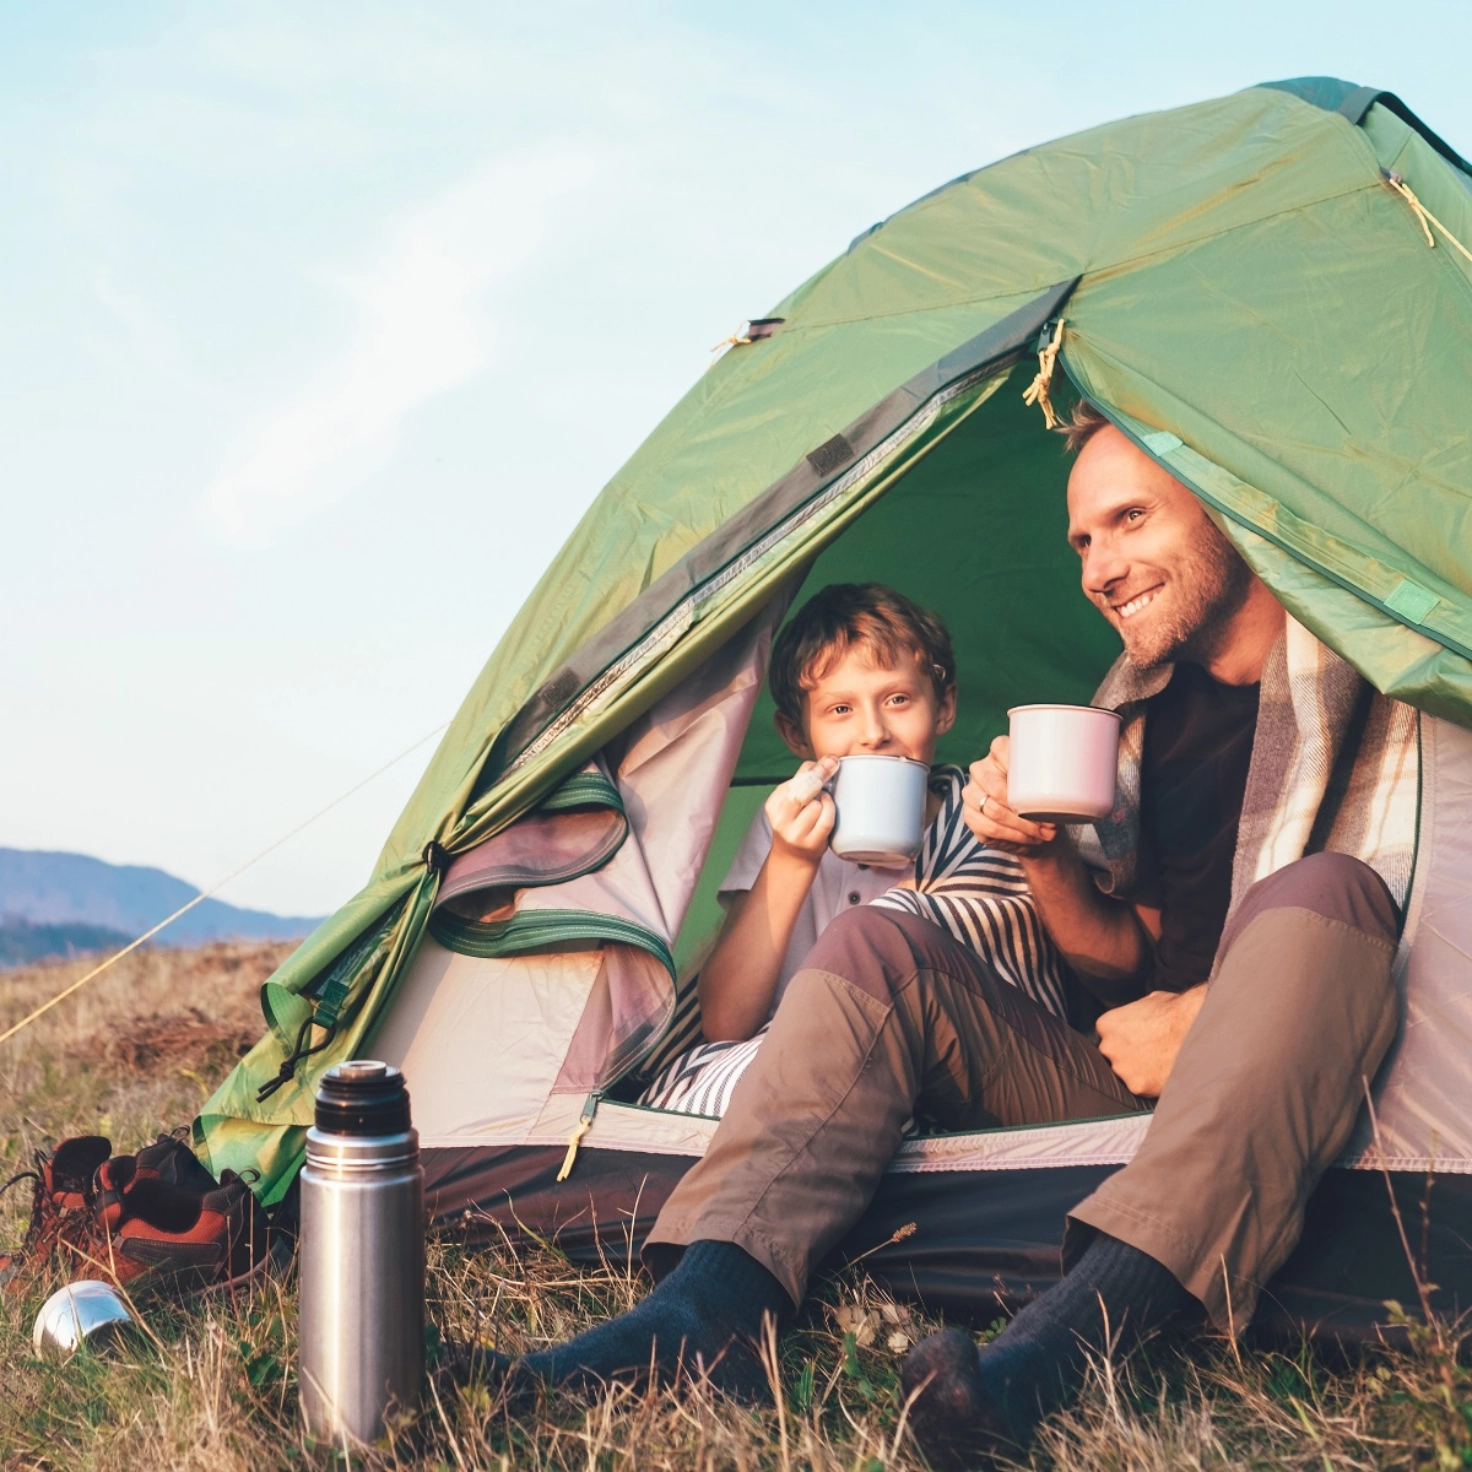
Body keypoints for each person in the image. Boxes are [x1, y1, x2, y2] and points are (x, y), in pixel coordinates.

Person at [474, 404, 1410, 1466]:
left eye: (1130, 519)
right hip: (1101, 1078)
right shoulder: (1140, 716)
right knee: (877, 943)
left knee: (1329, 893)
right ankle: (706, 1311)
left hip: (1274, 1064)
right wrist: (1044, 854)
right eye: (1082, 542)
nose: (1100, 566)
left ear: (1227, 499)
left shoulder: (1382, 663)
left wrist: (1204, 1019)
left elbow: (1388, 915)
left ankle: (1054, 1352)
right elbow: (1123, 956)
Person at [639, 582, 1070, 1118]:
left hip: (959, 1061)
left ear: (944, 707)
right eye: (840, 709)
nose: (873, 732)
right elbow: (725, 1023)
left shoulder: (988, 813)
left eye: (897, 700)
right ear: (797, 735)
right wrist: (791, 861)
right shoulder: (787, 825)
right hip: (800, 1057)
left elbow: (1018, 962)